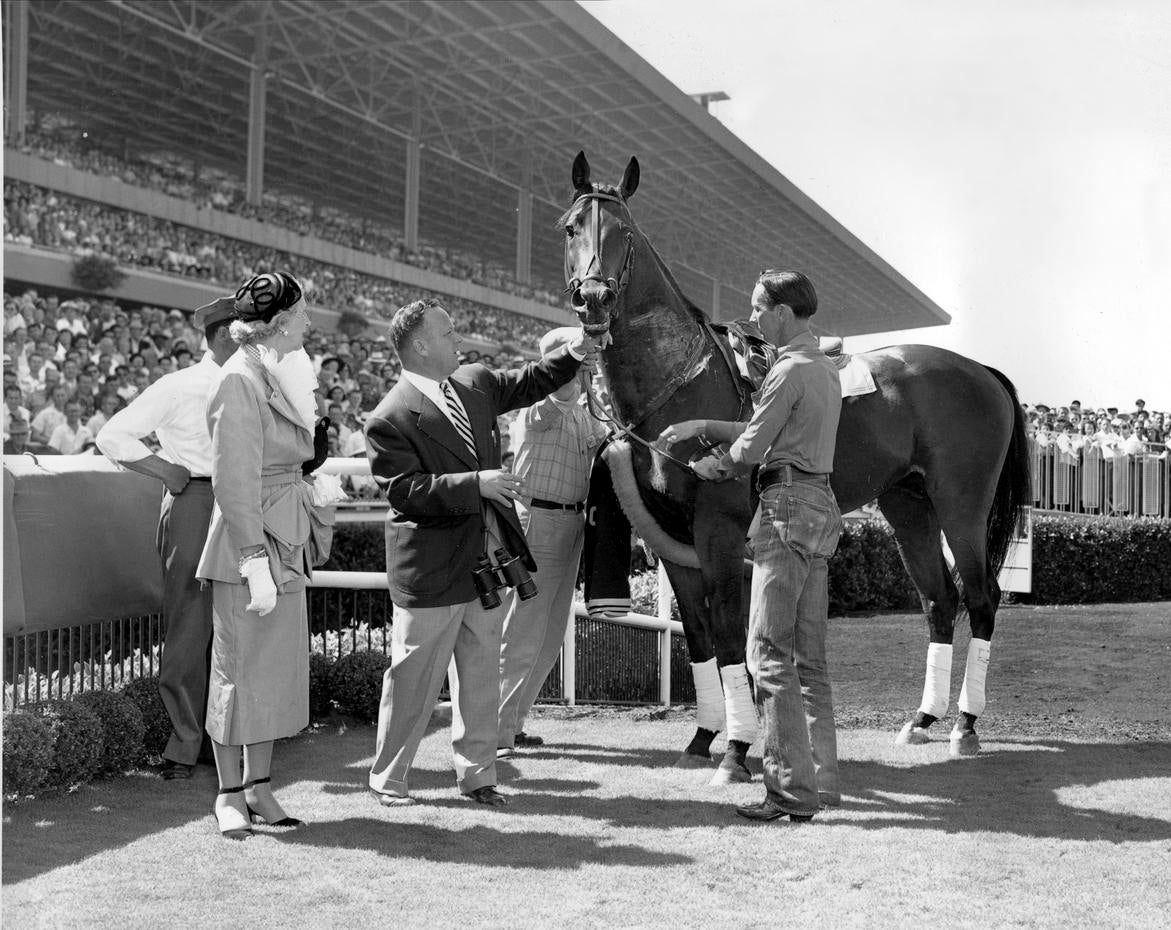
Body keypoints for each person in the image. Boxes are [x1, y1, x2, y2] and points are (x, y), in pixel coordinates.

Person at [364, 297, 593, 808]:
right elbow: (405, 491)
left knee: (482, 672)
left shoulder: (477, 381)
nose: (458, 339)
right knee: (413, 678)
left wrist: (578, 346)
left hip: (484, 561)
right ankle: (389, 777)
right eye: (448, 334)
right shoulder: (389, 417)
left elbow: (532, 379)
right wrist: (477, 484)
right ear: (420, 346)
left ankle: (478, 775)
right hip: (431, 567)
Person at [660, 270, 843, 823]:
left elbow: (750, 447)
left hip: (784, 510)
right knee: (809, 660)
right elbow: (767, 425)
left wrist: (708, 462)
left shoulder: (786, 369)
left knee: (766, 655)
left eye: (760, 309)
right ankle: (822, 782)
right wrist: (701, 422)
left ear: (784, 312)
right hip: (818, 507)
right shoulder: (821, 367)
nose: (755, 319)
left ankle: (788, 793)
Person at [194, 271, 331, 841]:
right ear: (277, 323)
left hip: (285, 534)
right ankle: (229, 793)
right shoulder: (237, 379)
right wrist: (253, 561)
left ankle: (261, 786)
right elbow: (232, 482)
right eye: (300, 314)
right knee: (236, 672)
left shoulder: (275, 371)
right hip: (249, 544)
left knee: (272, 673)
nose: (308, 323)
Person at [96, 294, 239, 780]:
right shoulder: (180, 384)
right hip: (196, 500)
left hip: (240, 502)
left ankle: (226, 738)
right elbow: (113, 435)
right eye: (244, 332)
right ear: (223, 335)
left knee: (239, 621)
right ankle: (184, 742)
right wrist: (166, 470)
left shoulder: (255, 382)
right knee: (190, 622)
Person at [497, 327, 607, 757]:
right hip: (538, 521)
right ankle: (496, 731)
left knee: (547, 635)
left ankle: (514, 723)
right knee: (521, 632)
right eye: (577, 363)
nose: (584, 372)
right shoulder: (536, 406)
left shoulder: (581, 411)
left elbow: (608, 442)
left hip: (568, 525)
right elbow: (556, 397)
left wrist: (592, 385)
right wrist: (578, 369)